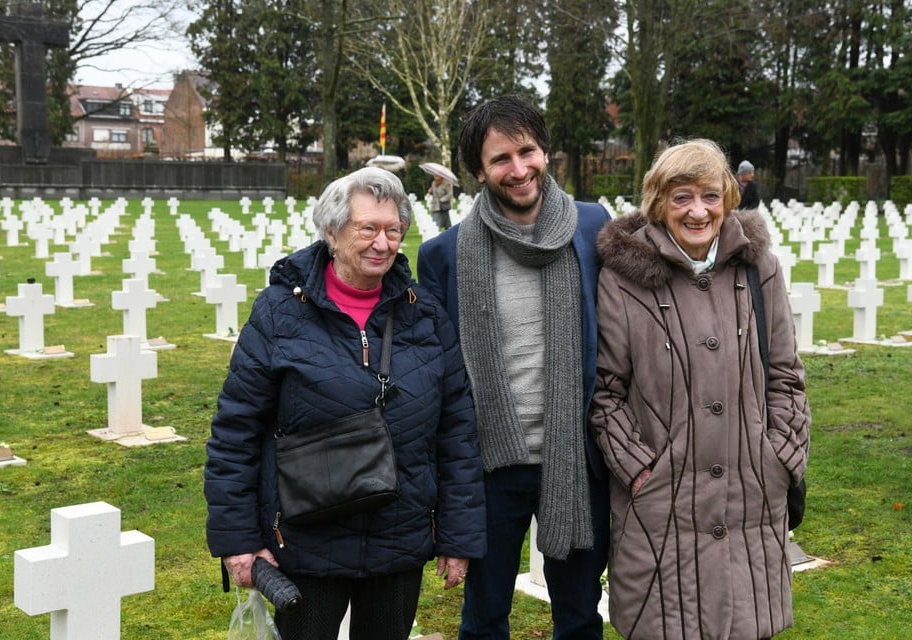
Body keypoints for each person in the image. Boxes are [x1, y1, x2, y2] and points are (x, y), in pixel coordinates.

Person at [204, 166, 486, 640]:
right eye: (368, 228)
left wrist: (457, 535)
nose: (383, 243)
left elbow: (457, 430)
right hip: (307, 541)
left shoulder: (426, 315)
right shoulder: (279, 313)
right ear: (332, 232)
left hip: (398, 539)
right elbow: (236, 431)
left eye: (393, 230)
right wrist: (238, 541)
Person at [590, 139, 810, 639]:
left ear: (729, 198)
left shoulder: (760, 270)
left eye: (710, 195)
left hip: (750, 497)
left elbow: (786, 374)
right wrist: (641, 471)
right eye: (681, 196)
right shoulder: (624, 280)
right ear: (657, 201)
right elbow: (606, 392)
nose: (697, 210)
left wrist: (779, 458)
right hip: (661, 506)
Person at [418, 94, 611, 640]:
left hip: (577, 462)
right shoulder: (445, 256)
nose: (519, 168)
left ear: (545, 152)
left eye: (527, 151)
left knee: (579, 616)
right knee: (484, 619)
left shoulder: (593, 227)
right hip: (488, 471)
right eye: (501, 158)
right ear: (478, 171)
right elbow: (438, 375)